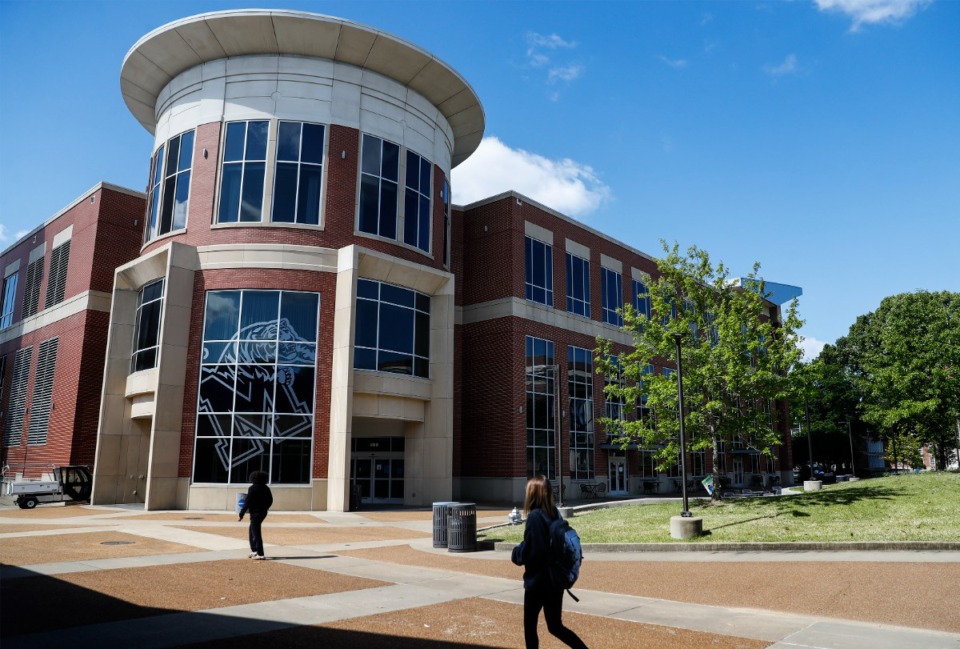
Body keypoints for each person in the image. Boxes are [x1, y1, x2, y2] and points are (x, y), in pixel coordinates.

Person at [511, 475, 588, 649]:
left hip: (538, 582)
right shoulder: (554, 512)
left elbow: (533, 552)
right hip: (556, 580)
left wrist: (517, 553)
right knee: (555, 626)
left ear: (533, 494)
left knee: (530, 628)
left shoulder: (535, 517)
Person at [238, 470, 273, 560]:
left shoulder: (252, 488)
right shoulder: (266, 488)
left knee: (256, 533)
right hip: (263, 512)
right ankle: (254, 550)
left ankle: (260, 554)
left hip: (255, 513)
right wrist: (265, 508)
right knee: (252, 530)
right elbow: (270, 500)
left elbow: (248, 501)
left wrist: (242, 513)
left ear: (253, 478)